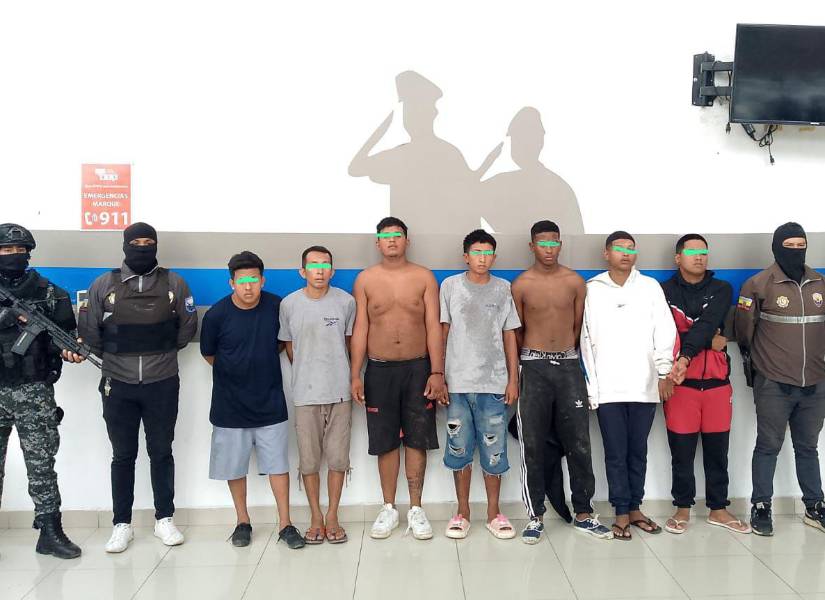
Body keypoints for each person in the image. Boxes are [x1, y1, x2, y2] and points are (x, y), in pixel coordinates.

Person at [78, 222, 197, 553]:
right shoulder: (104, 284)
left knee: (161, 452)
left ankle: (164, 519)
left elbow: (187, 328)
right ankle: (122, 524)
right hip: (118, 384)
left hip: (162, 382)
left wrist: (159, 352)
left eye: (148, 242)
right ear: (125, 245)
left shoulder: (175, 283)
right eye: (136, 242)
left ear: (156, 245)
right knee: (122, 455)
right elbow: (90, 331)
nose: (142, 248)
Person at [511, 220, 611, 544]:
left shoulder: (574, 282)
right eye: (543, 243)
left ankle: (584, 513)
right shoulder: (521, 285)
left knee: (579, 442)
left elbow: (578, 326)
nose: (549, 249)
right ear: (532, 246)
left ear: (560, 244)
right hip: (533, 366)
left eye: (554, 242)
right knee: (533, 444)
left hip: (568, 366)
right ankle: (535, 516)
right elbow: (517, 332)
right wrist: (525, 365)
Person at [200, 251, 305, 549]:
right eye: (242, 280)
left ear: (263, 280)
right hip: (229, 404)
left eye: (254, 279)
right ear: (232, 283)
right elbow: (209, 353)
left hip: (270, 401)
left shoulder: (276, 307)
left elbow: (283, 344)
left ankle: (285, 524)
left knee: (278, 465)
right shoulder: (217, 315)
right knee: (234, 467)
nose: (248, 286)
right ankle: (242, 522)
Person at [350, 217, 446, 540]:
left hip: (419, 369)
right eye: (385, 236)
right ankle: (389, 507)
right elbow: (361, 328)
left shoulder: (423, 277)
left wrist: (437, 371)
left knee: (418, 438)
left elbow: (433, 326)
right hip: (379, 370)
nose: (392, 240)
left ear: (407, 240)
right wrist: (355, 374)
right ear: (377, 242)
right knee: (385, 440)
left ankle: (416, 508)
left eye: (397, 235)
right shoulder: (366, 280)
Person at [580, 231, 677, 541]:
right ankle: (620, 511)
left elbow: (665, 331)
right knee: (615, 453)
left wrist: (664, 373)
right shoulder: (591, 289)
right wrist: (591, 386)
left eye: (631, 248)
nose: (626, 253)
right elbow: (584, 341)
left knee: (638, 451)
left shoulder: (649, 287)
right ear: (606, 253)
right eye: (619, 248)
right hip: (607, 389)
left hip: (644, 386)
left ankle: (635, 509)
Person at [735, 222, 825, 536]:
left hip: (815, 383)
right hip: (773, 383)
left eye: (802, 245)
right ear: (776, 248)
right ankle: (761, 506)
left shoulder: (820, 284)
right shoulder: (758, 285)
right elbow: (744, 332)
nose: (797, 251)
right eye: (790, 246)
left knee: (808, 447)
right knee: (768, 446)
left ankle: (814, 506)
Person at [0, 223, 83, 559]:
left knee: (41, 463)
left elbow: (66, 335)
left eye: (20, 250)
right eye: (6, 250)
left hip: (33, 390)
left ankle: (49, 531)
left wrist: (69, 350)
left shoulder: (50, 293)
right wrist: (6, 318)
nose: (13, 256)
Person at [661, 234, 749, 534]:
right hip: (680, 385)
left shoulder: (721, 289)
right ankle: (682, 509)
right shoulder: (663, 292)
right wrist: (705, 342)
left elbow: (708, 323)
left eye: (704, 252)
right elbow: (665, 335)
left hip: (716, 384)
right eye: (692, 252)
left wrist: (687, 350)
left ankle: (718, 509)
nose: (699, 257)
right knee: (681, 453)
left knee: (717, 452)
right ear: (678, 258)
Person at [440, 229, 520, 540]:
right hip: (457, 384)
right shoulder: (450, 286)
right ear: (466, 257)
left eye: (488, 253)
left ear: (494, 257)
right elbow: (443, 332)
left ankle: (493, 513)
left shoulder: (503, 288)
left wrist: (513, 379)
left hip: (494, 384)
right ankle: (462, 512)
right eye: (476, 252)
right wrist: (439, 375)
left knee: (494, 450)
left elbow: (509, 335)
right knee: (459, 448)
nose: (482, 258)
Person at [279, 246, 355, 545]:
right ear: (303, 271)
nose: (319, 270)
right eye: (313, 265)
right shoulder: (289, 304)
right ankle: (315, 517)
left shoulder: (346, 302)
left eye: (325, 264)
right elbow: (289, 346)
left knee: (338, 458)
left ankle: (332, 516)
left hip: (340, 393)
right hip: (305, 395)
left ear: (332, 271)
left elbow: (349, 344)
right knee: (309, 461)